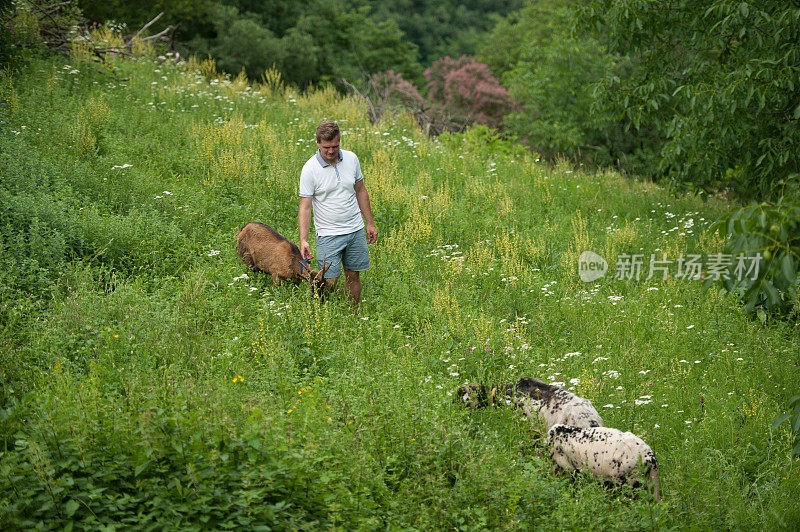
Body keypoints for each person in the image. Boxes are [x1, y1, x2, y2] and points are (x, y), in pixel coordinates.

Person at [299, 120, 377, 308]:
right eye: (326, 147)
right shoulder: (310, 169)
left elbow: (361, 190)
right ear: (317, 143)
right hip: (328, 234)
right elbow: (305, 206)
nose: (331, 151)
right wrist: (304, 240)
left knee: (353, 274)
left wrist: (370, 223)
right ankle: (322, 316)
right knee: (328, 282)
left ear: (339, 141)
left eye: (335, 146)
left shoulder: (351, 159)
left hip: (355, 229)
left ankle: (353, 315)